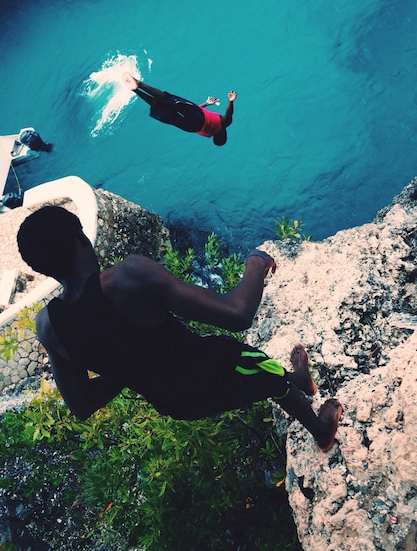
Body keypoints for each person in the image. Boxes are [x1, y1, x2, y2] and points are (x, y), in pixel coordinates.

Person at [17, 206, 342, 452]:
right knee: (266, 374)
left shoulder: (49, 326)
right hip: (213, 371)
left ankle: (299, 378)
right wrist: (256, 263)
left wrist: (127, 367)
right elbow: (238, 313)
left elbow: (82, 404)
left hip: (177, 403)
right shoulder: (127, 277)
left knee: (262, 369)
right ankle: (321, 430)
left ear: (42, 268)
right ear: (80, 239)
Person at [122, 72, 236, 146]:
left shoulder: (224, 123)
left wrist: (231, 101)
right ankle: (135, 90)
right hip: (190, 126)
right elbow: (196, 117)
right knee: (162, 109)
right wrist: (206, 103)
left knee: (168, 99)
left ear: (224, 134)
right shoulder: (207, 134)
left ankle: (139, 84)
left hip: (198, 116)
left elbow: (228, 114)